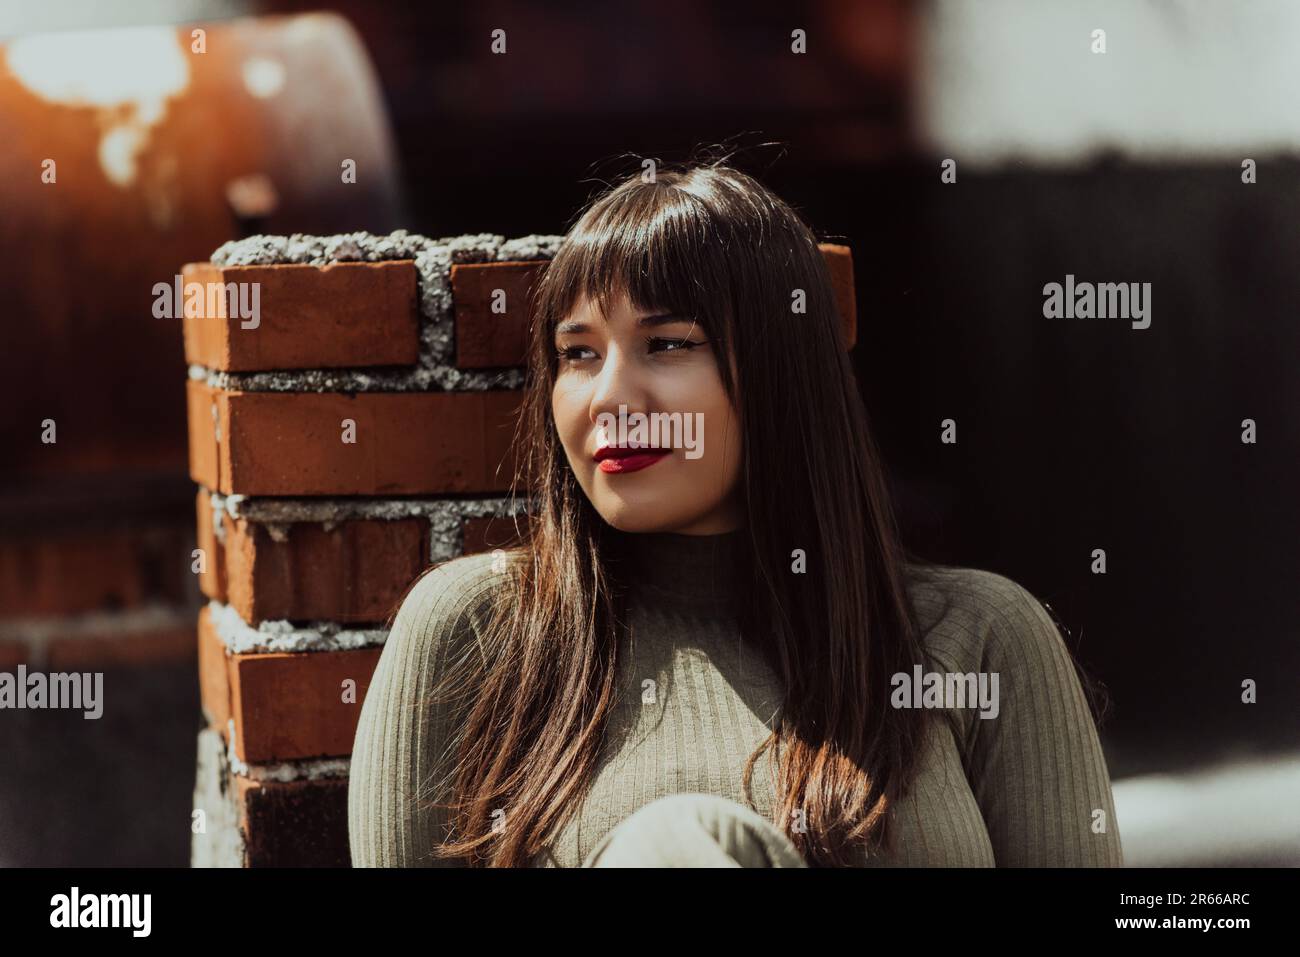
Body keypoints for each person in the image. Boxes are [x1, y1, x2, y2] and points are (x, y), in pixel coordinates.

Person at [347, 158, 1124, 868]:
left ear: (777, 375)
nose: (611, 398)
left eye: (667, 344)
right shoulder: (473, 632)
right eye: (578, 353)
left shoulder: (982, 638)